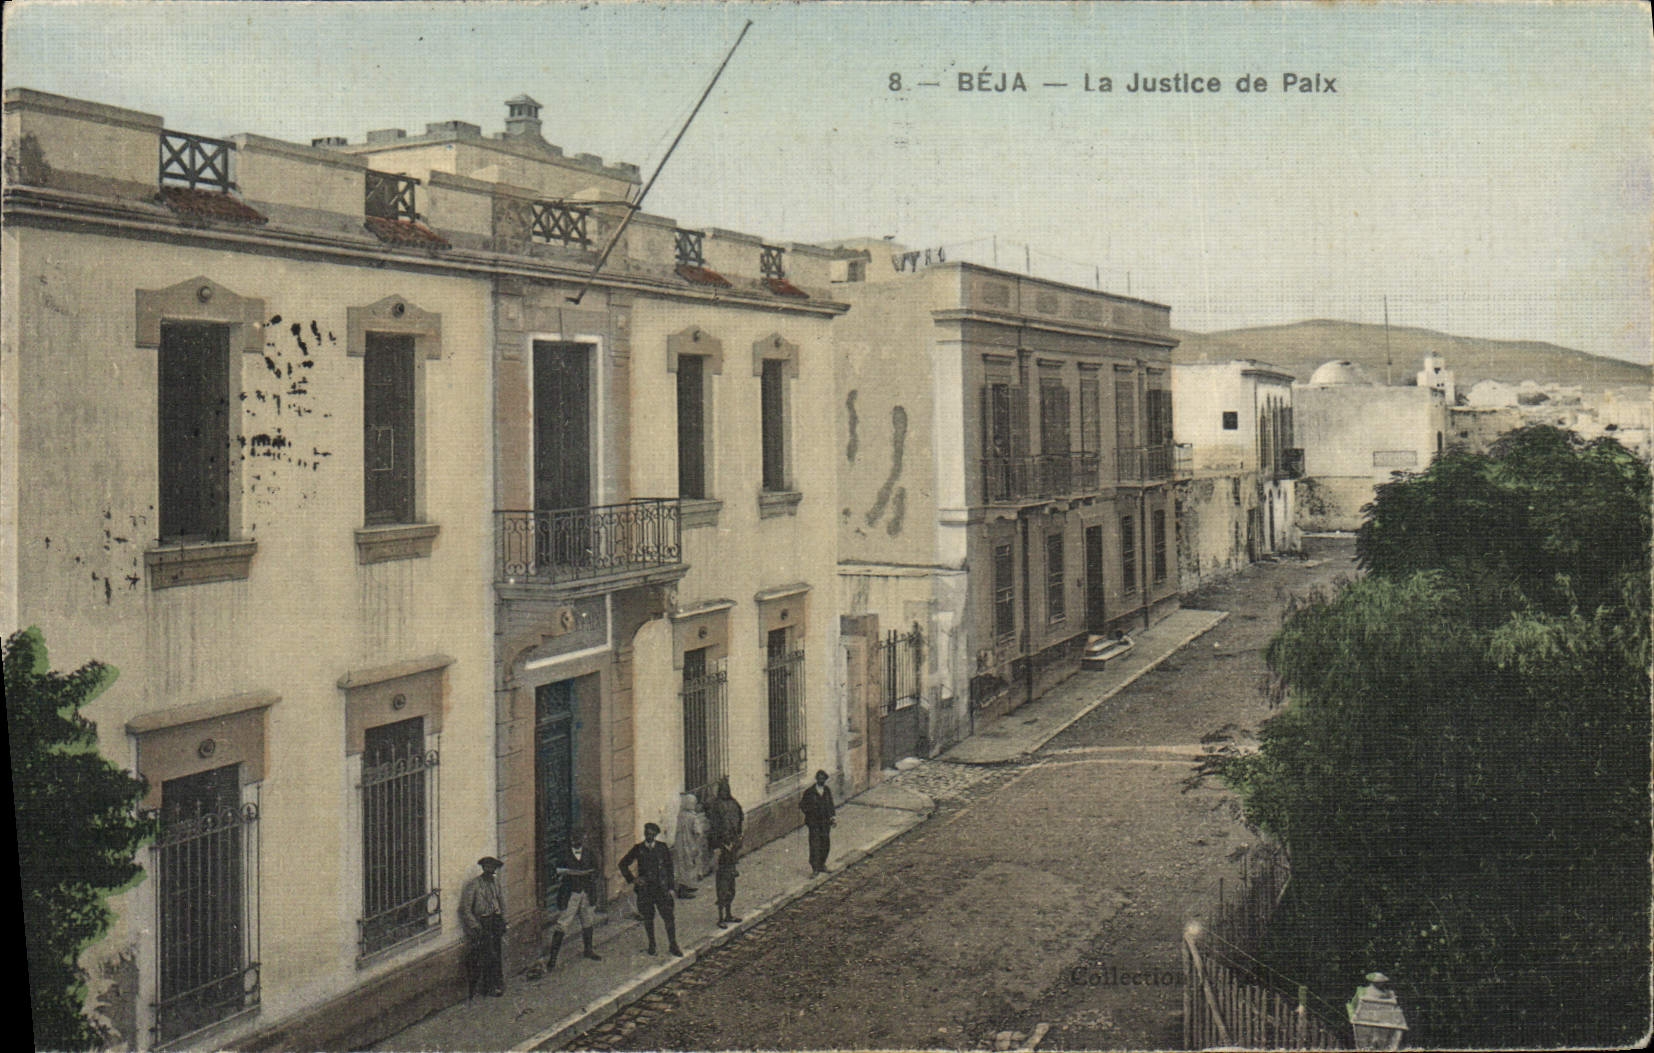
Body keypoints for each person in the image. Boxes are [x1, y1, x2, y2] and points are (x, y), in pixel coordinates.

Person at [618, 822, 682, 956]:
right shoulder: (638, 849)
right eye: (647, 833)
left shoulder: (662, 848)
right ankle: (652, 945)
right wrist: (633, 879)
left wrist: (671, 888)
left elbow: (669, 868)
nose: (649, 836)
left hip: (661, 889)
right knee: (648, 918)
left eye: (652, 834)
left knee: (668, 917)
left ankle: (673, 944)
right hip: (645, 890)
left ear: (656, 835)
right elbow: (623, 864)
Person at [546, 834, 602, 968]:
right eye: (574, 839)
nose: (577, 842)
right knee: (562, 924)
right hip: (570, 894)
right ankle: (552, 959)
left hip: (587, 892)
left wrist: (590, 875)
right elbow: (554, 873)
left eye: (579, 839)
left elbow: (597, 870)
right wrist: (566, 873)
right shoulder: (563, 855)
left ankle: (588, 950)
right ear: (570, 840)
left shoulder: (590, 854)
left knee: (587, 921)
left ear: (584, 840)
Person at [458, 856, 507, 998]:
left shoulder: (495, 883)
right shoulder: (474, 885)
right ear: (483, 868)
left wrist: (503, 918)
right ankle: (488, 987)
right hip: (483, 922)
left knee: (497, 953)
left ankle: (498, 984)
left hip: (495, 921)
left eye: (493, 868)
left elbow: (501, 900)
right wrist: (475, 925)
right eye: (488, 867)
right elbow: (465, 909)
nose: (490, 870)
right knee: (487, 954)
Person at [706, 776, 745, 927]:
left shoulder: (734, 803)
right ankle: (721, 916)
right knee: (722, 884)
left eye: (727, 788)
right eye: (723, 789)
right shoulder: (715, 806)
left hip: (732, 848)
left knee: (731, 884)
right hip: (722, 849)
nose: (725, 791)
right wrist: (721, 844)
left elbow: (740, 819)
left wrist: (737, 838)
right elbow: (714, 828)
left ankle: (729, 913)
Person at [671, 792, 710, 899]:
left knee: (681, 865)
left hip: (680, 844)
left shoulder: (681, 815)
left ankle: (684, 886)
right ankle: (683, 890)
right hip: (689, 844)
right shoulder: (693, 817)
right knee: (689, 865)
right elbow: (698, 832)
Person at [800, 769, 836, 875]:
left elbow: (830, 805)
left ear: (825, 780)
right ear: (816, 779)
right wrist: (810, 815)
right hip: (814, 823)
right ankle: (815, 868)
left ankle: (822, 864)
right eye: (819, 778)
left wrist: (833, 818)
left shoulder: (827, 790)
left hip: (825, 823)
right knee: (814, 845)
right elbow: (802, 805)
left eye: (823, 778)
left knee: (825, 844)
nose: (821, 780)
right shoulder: (809, 792)